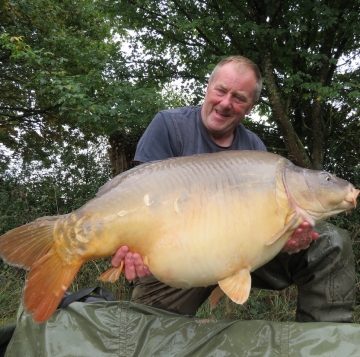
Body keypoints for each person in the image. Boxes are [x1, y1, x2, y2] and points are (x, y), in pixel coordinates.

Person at [111, 56, 356, 322]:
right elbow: (138, 199)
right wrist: (130, 242)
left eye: (239, 97)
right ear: (208, 87)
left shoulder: (255, 152)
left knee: (330, 241)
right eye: (221, 90)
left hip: (240, 252)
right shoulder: (169, 126)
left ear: (250, 106)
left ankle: (325, 342)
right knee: (148, 333)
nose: (226, 103)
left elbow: (264, 233)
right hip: (179, 255)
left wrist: (288, 241)